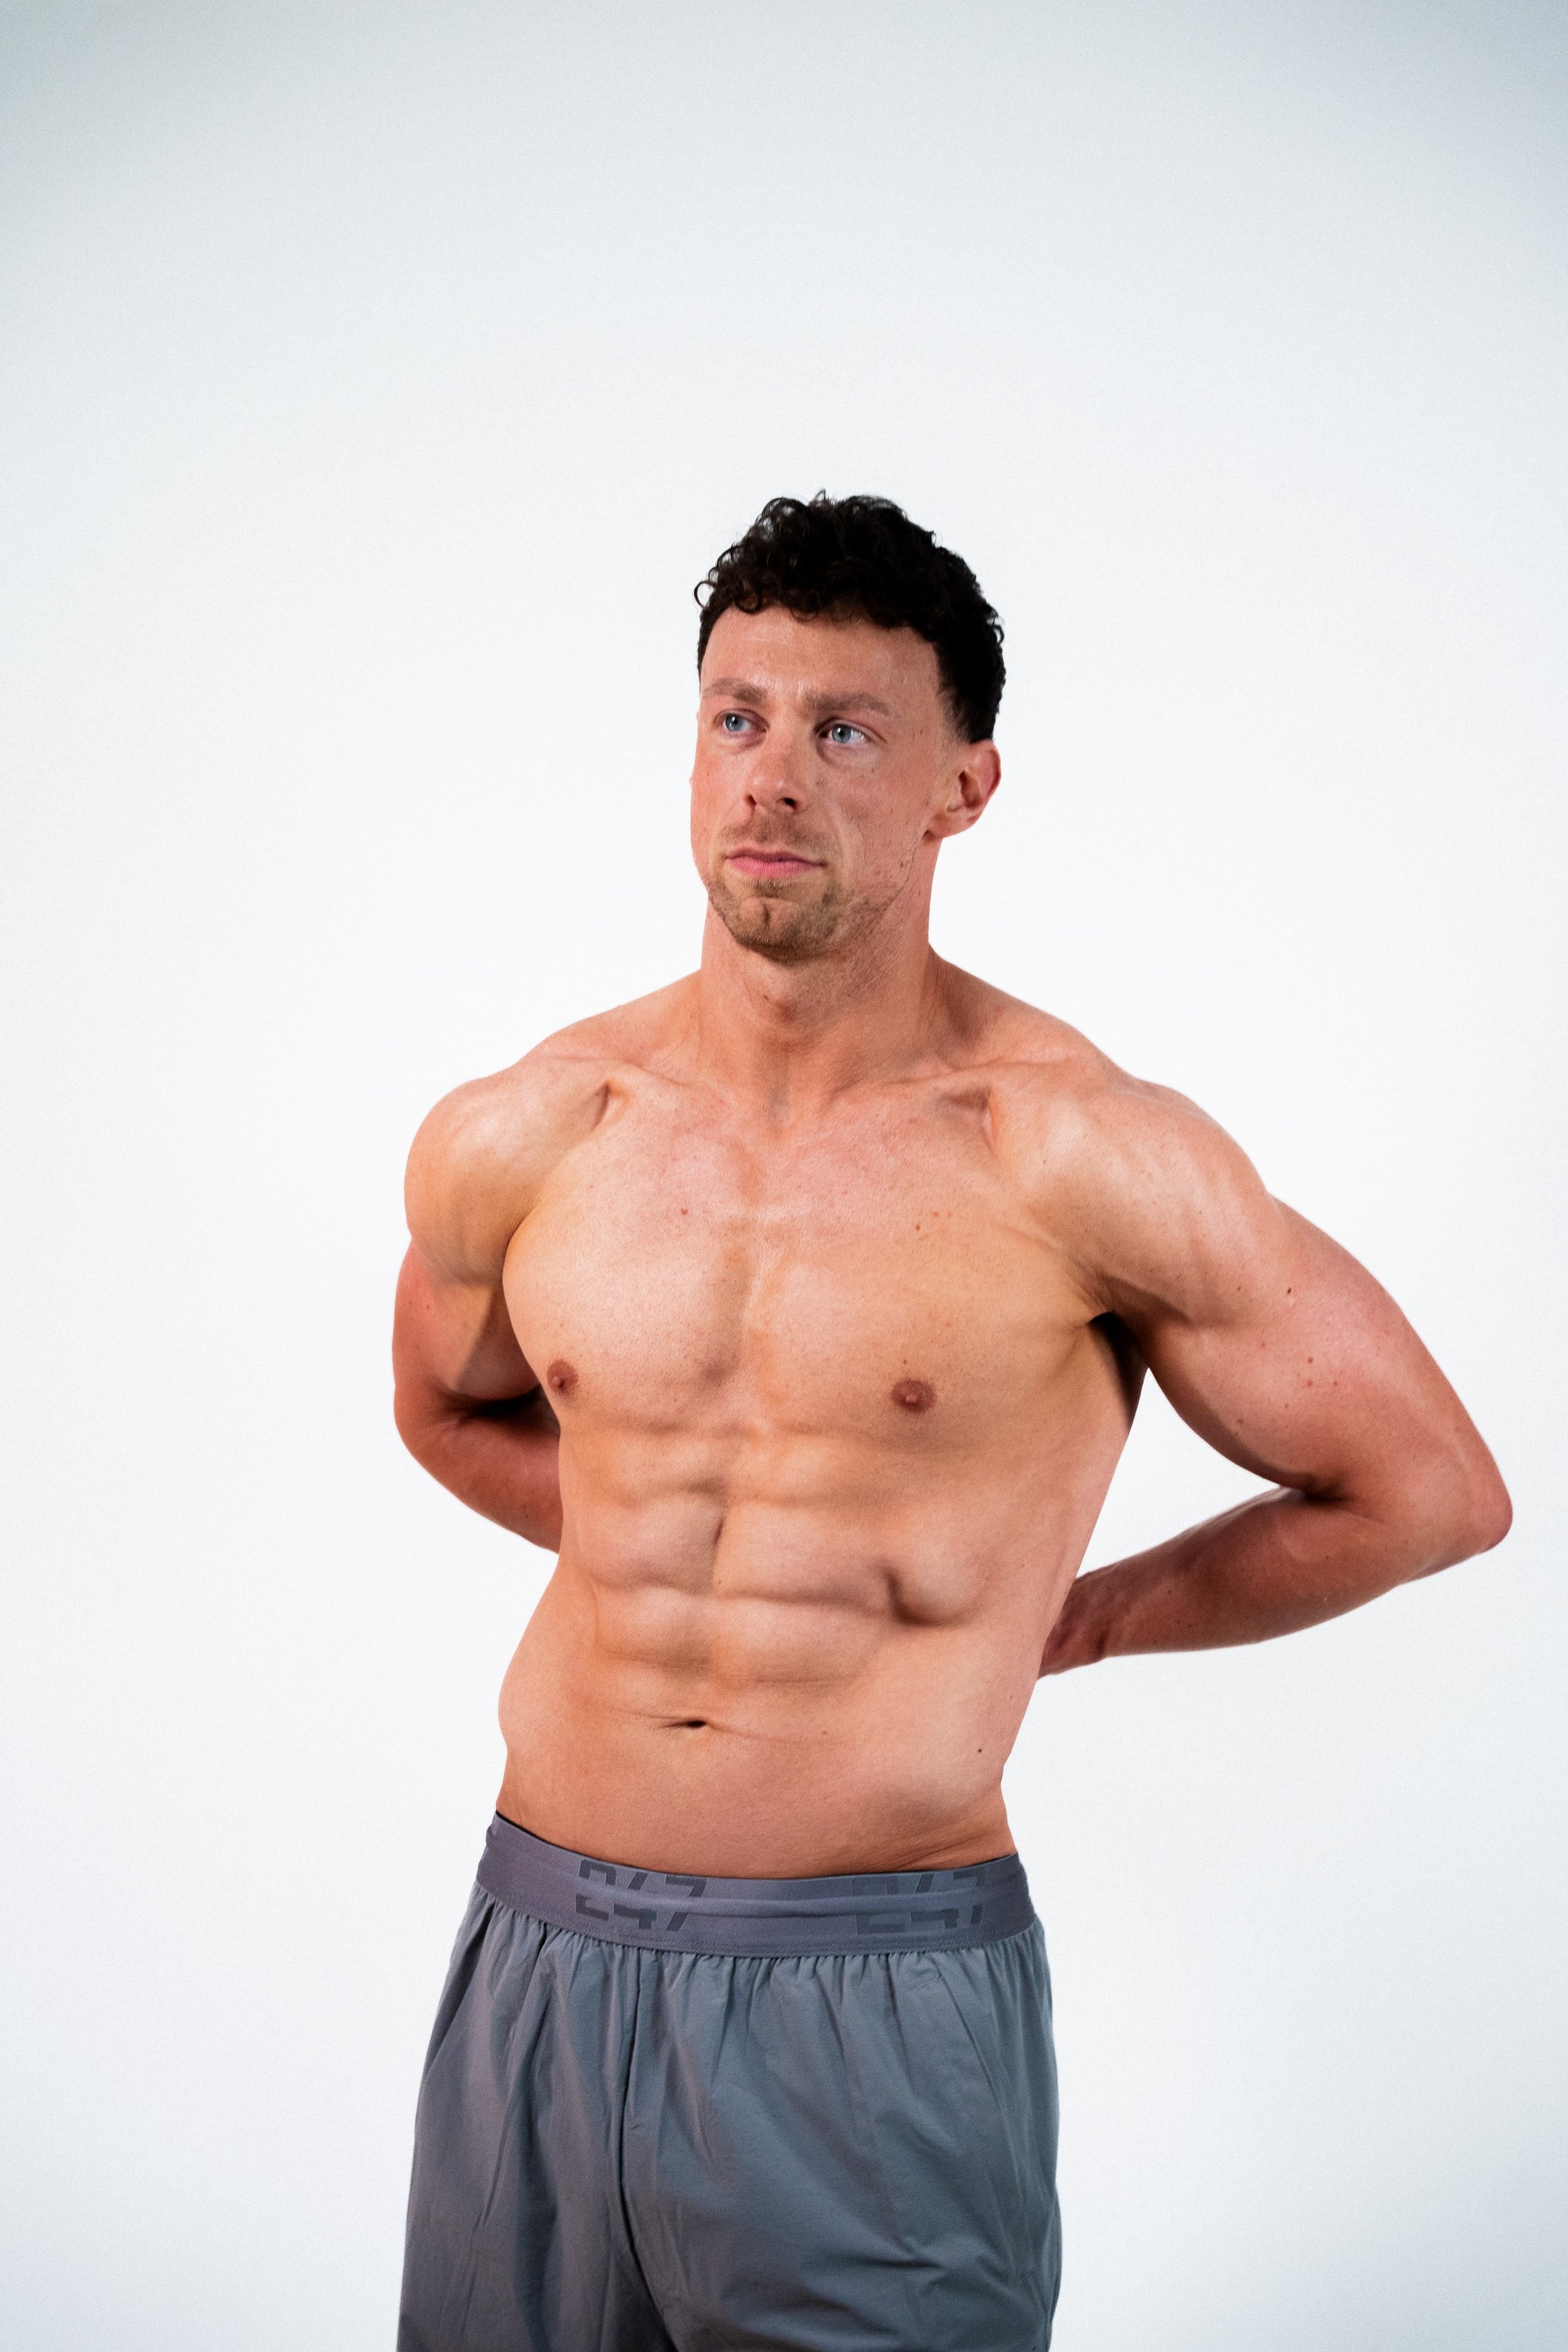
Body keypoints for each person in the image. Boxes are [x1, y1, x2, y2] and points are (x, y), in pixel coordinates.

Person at [391, 492, 1510, 2352]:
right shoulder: (532, 1124)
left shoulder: (1075, 1150)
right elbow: (445, 1405)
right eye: (737, 717)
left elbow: (1422, 1492)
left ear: (958, 791)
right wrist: (664, 1533)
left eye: (844, 733)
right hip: (536, 1945)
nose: (773, 779)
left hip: (866, 1994)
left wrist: (1075, 1615)